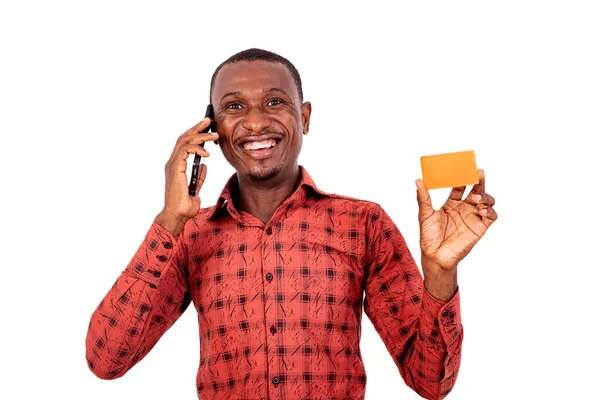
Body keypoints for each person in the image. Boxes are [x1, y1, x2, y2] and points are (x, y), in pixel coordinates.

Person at [85, 48, 497, 400]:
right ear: (211, 129)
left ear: (305, 117)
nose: (256, 123)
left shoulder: (363, 223)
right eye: (233, 107)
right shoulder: (190, 236)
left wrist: (441, 272)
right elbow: (106, 361)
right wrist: (170, 219)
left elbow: (430, 382)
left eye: (274, 102)